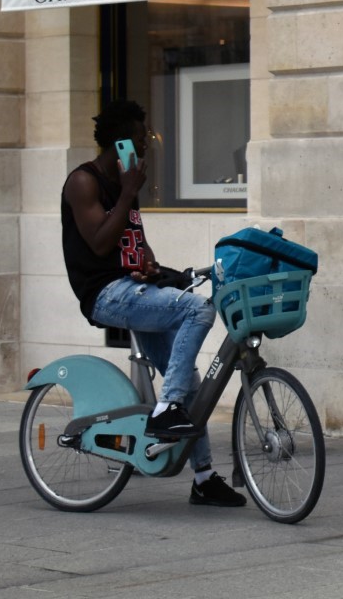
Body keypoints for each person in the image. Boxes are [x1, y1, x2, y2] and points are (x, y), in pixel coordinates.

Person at [60, 99, 245, 508]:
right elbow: (99, 242)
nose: (146, 146)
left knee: (192, 389)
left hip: (132, 288)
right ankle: (165, 409)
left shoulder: (128, 187)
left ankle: (203, 478)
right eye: (140, 139)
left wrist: (149, 265)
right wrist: (127, 193)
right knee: (196, 309)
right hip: (103, 294)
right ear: (121, 141)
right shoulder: (83, 182)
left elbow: (133, 243)